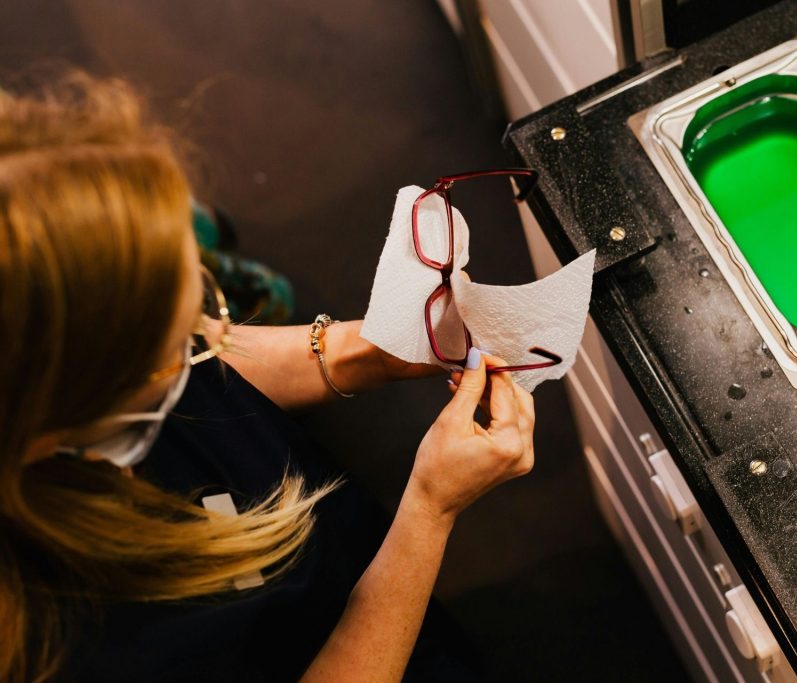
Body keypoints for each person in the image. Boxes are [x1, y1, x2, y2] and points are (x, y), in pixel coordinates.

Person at [0, 72, 535, 682]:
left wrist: (373, 350)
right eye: (173, 341)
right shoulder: (62, 645)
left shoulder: (72, 357)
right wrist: (431, 510)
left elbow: (211, 353)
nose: (207, 334)